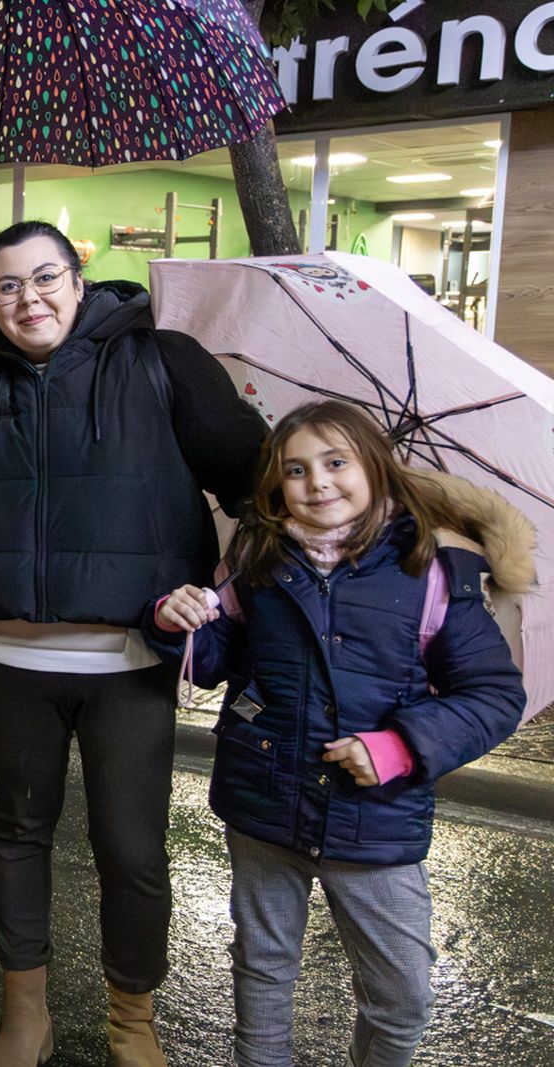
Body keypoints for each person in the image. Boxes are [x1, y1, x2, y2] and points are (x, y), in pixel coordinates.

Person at [0, 220, 266, 1066]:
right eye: (6, 286)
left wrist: (219, 596)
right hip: (14, 658)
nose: (28, 299)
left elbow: (257, 482)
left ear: (79, 279)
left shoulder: (163, 359)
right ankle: (26, 1016)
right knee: (18, 833)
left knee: (132, 849)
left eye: (45, 278)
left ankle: (131, 1024)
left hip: (130, 658)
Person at [144, 400, 528, 1067]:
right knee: (263, 970)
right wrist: (173, 619)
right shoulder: (258, 560)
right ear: (276, 483)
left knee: (402, 992)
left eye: (335, 462)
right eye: (296, 469)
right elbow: (211, 662)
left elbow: (493, 694)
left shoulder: (430, 572)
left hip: (374, 816)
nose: (317, 482)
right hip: (264, 803)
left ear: (376, 467)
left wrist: (400, 746)